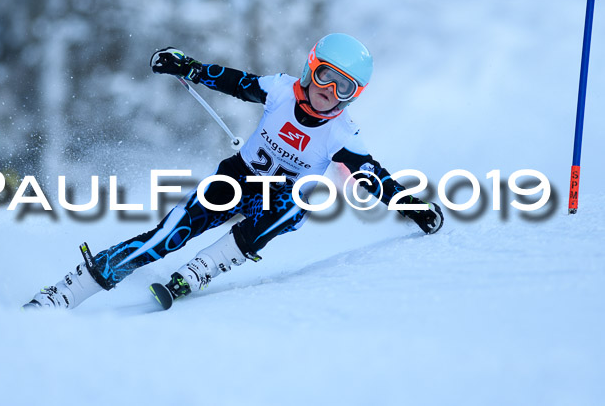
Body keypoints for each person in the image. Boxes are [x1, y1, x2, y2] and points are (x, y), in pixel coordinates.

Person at [23, 33, 444, 311]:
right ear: (310, 69)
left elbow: (374, 177)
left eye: (344, 88)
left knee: (294, 205)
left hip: (279, 198)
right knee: (163, 238)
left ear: (355, 96)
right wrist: (188, 66)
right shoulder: (280, 89)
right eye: (326, 78)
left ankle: (206, 266)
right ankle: (65, 293)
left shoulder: (341, 134)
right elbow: (234, 81)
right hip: (237, 179)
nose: (329, 93)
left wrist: (412, 207)